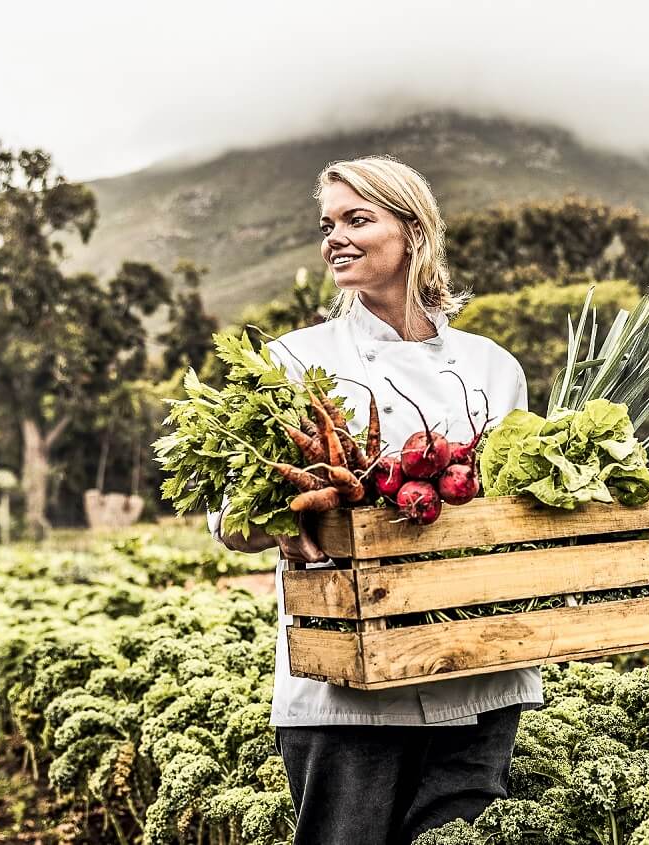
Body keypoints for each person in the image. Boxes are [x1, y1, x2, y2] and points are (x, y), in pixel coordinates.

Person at [210, 156, 538, 845]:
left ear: (413, 232)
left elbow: (511, 510)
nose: (335, 237)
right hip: (345, 689)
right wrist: (281, 522)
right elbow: (227, 512)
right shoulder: (296, 359)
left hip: (481, 673)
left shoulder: (491, 365)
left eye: (357, 219)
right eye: (327, 224)